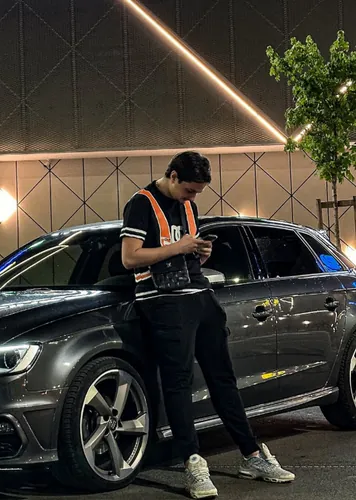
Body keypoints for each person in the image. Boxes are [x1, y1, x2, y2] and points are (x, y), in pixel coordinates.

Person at [120, 151, 295, 499]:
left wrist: (199, 253)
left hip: (200, 297)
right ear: (172, 176)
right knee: (178, 383)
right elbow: (129, 257)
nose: (192, 197)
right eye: (189, 190)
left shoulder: (189, 206)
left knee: (223, 379)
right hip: (164, 302)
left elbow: (186, 248)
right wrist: (178, 246)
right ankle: (193, 462)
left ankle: (252, 455)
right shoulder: (140, 204)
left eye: (197, 192)